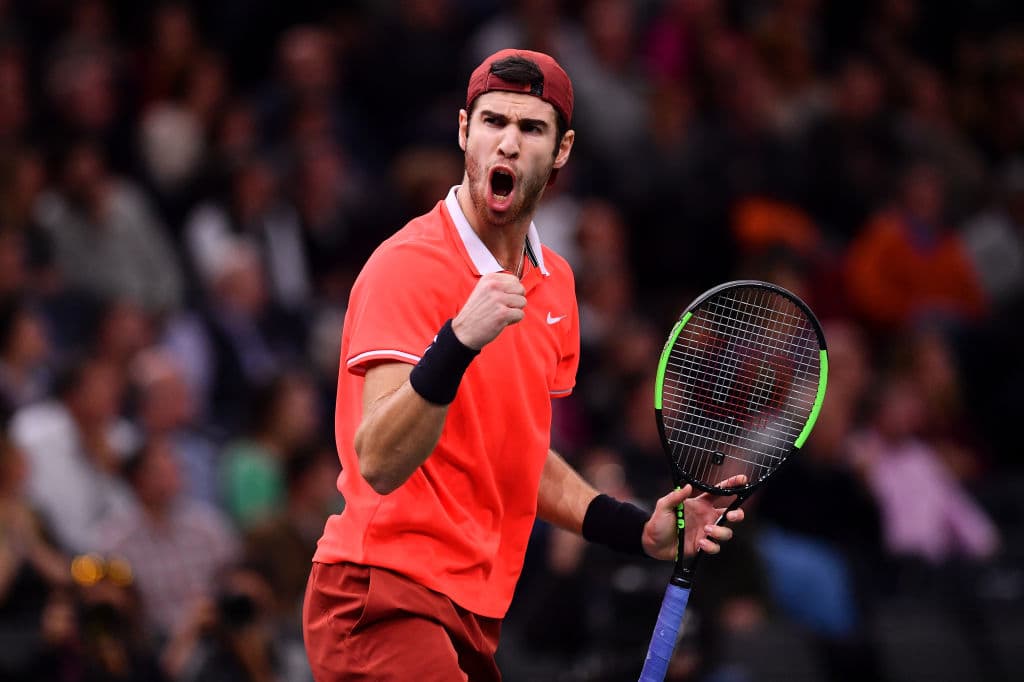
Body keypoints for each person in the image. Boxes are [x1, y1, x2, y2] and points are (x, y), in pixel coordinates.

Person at [302, 49, 745, 681]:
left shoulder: (556, 285)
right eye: (492, 123)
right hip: (381, 595)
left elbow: (519, 454)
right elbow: (376, 460)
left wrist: (636, 530)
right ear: (464, 132)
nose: (507, 143)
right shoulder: (407, 266)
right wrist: (456, 342)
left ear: (561, 150)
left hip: (473, 612)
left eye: (531, 129)